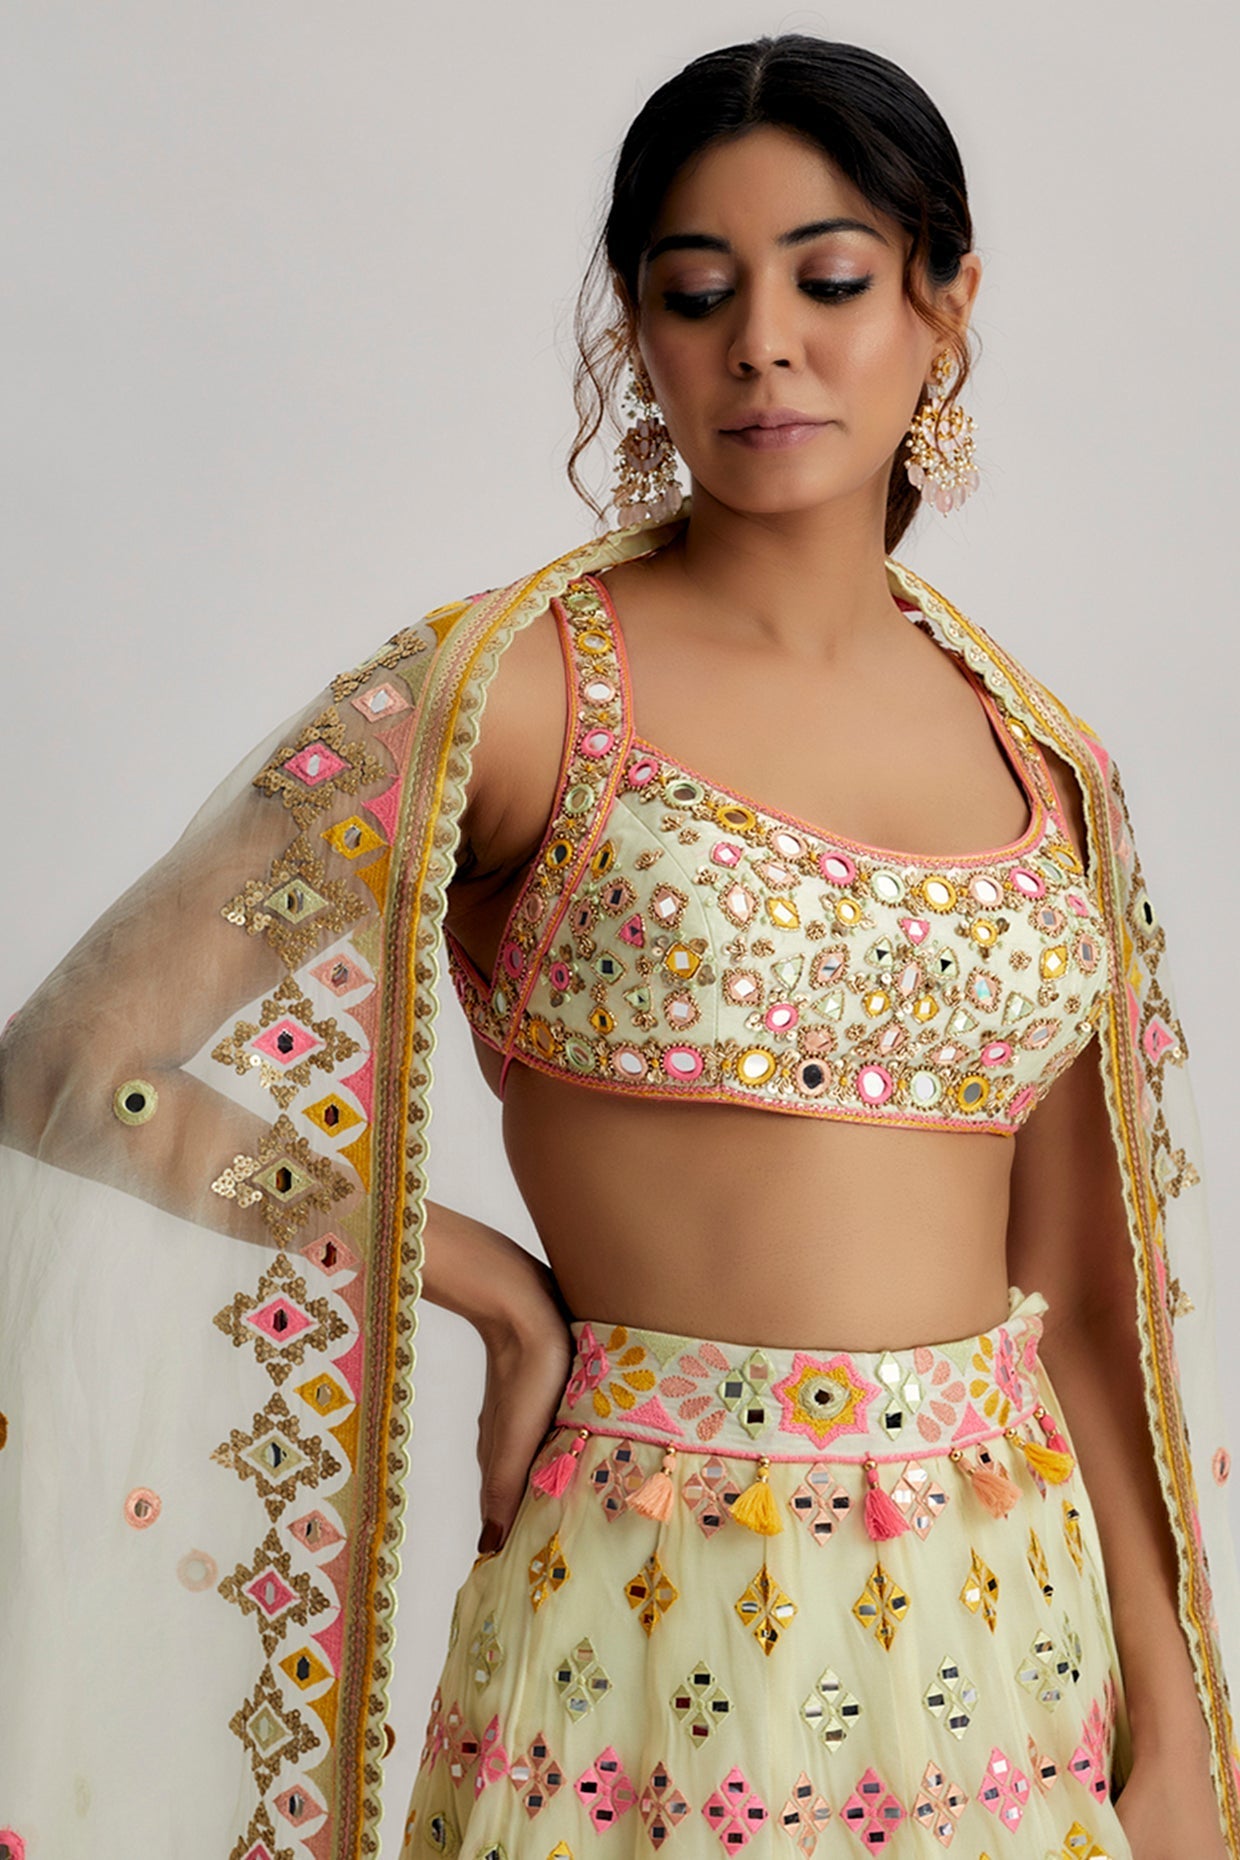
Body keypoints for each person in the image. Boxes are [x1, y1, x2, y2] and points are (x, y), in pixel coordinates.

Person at [0, 31, 1237, 1860]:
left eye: (831, 282)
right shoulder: (510, 696)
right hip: (643, 1634)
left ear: (946, 304)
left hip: (1011, 1654)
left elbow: (1077, 1298)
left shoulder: (1039, 754)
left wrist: (1179, 1726)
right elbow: (68, 1066)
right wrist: (482, 1283)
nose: (764, 346)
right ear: (638, 331)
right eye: (697, 292)